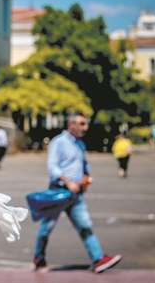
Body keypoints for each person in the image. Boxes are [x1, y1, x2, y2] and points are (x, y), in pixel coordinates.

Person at [33, 112, 122, 274]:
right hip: (58, 192)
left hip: (76, 195)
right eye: (81, 124)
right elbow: (52, 167)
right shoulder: (58, 142)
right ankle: (38, 258)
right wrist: (68, 182)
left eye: (85, 124)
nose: (85, 128)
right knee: (47, 227)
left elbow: (84, 165)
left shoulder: (80, 144)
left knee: (85, 226)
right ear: (70, 125)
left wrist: (86, 178)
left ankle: (98, 259)